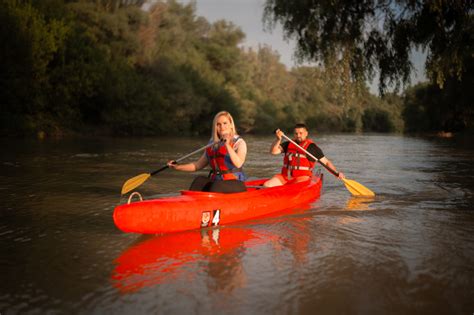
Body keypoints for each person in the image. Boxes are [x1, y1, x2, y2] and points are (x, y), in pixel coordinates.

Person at [167, 111, 247, 193]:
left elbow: (239, 163)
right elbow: (198, 165)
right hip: (218, 182)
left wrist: (227, 145)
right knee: (199, 180)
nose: (222, 127)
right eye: (218, 124)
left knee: (217, 185)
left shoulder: (239, 142)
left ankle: (213, 204)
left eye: (225, 123)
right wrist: (178, 167)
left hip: (236, 182)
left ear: (230, 124)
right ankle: (190, 203)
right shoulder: (213, 144)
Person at [263, 123, 345, 187]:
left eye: (300, 133)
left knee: (294, 188)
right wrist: (278, 139)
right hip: (285, 177)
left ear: (306, 133)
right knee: (267, 185)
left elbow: (326, 162)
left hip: (302, 178)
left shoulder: (311, 147)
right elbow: (273, 151)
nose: (298, 135)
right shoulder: (288, 144)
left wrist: (336, 173)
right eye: (296, 133)